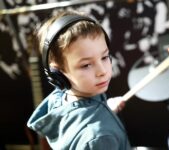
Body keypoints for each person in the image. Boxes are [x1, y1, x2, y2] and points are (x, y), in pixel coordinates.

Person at [27, 10, 131, 150]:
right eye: (86, 65)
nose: (103, 71)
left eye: (105, 57)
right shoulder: (99, 138)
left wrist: (105, 108)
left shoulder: (60, 98)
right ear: (58, 73)